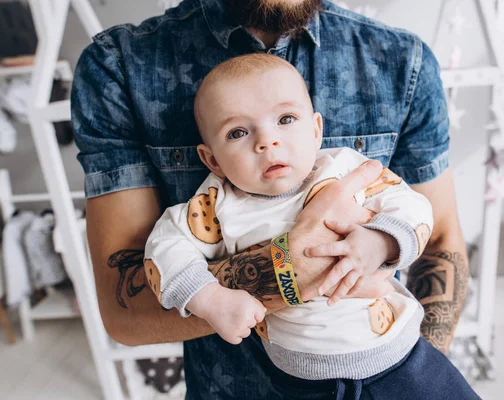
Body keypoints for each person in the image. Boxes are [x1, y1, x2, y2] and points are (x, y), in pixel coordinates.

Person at [72, 0, 471, 398]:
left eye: (286, 120)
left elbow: (424, 220)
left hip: (400, 355)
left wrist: (382, 242)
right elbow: (152, 267)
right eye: (238, 134)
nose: (268, 142)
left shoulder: (345, 158)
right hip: (278, 382)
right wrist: (253, 283)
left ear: (317, 131)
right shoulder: (213, 201)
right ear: (212, 159)